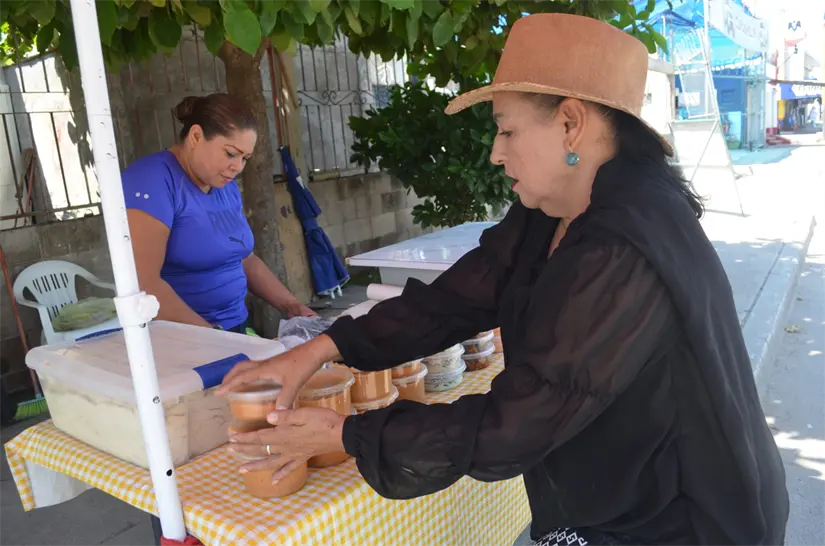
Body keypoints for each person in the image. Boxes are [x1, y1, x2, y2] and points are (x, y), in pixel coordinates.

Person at [216, 14, 789, 546]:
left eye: (507, 130)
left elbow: (519, 423)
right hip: (613, 490)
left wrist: (346, 435)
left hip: (682, 516)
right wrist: (318, 349)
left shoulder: (624, 244)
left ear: (571, 124)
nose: (495, 151)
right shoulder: (552, 212)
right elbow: (452, 300)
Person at [122, 93, 316, 334]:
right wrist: (215, 340)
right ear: (195, 136)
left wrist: (291, 304)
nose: (238, 167)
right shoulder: (151, 180)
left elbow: (244, 258)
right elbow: (144, 285)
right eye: (230, 153)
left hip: (233, 328)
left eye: (245, 158)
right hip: (181, 340)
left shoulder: (223, 184)